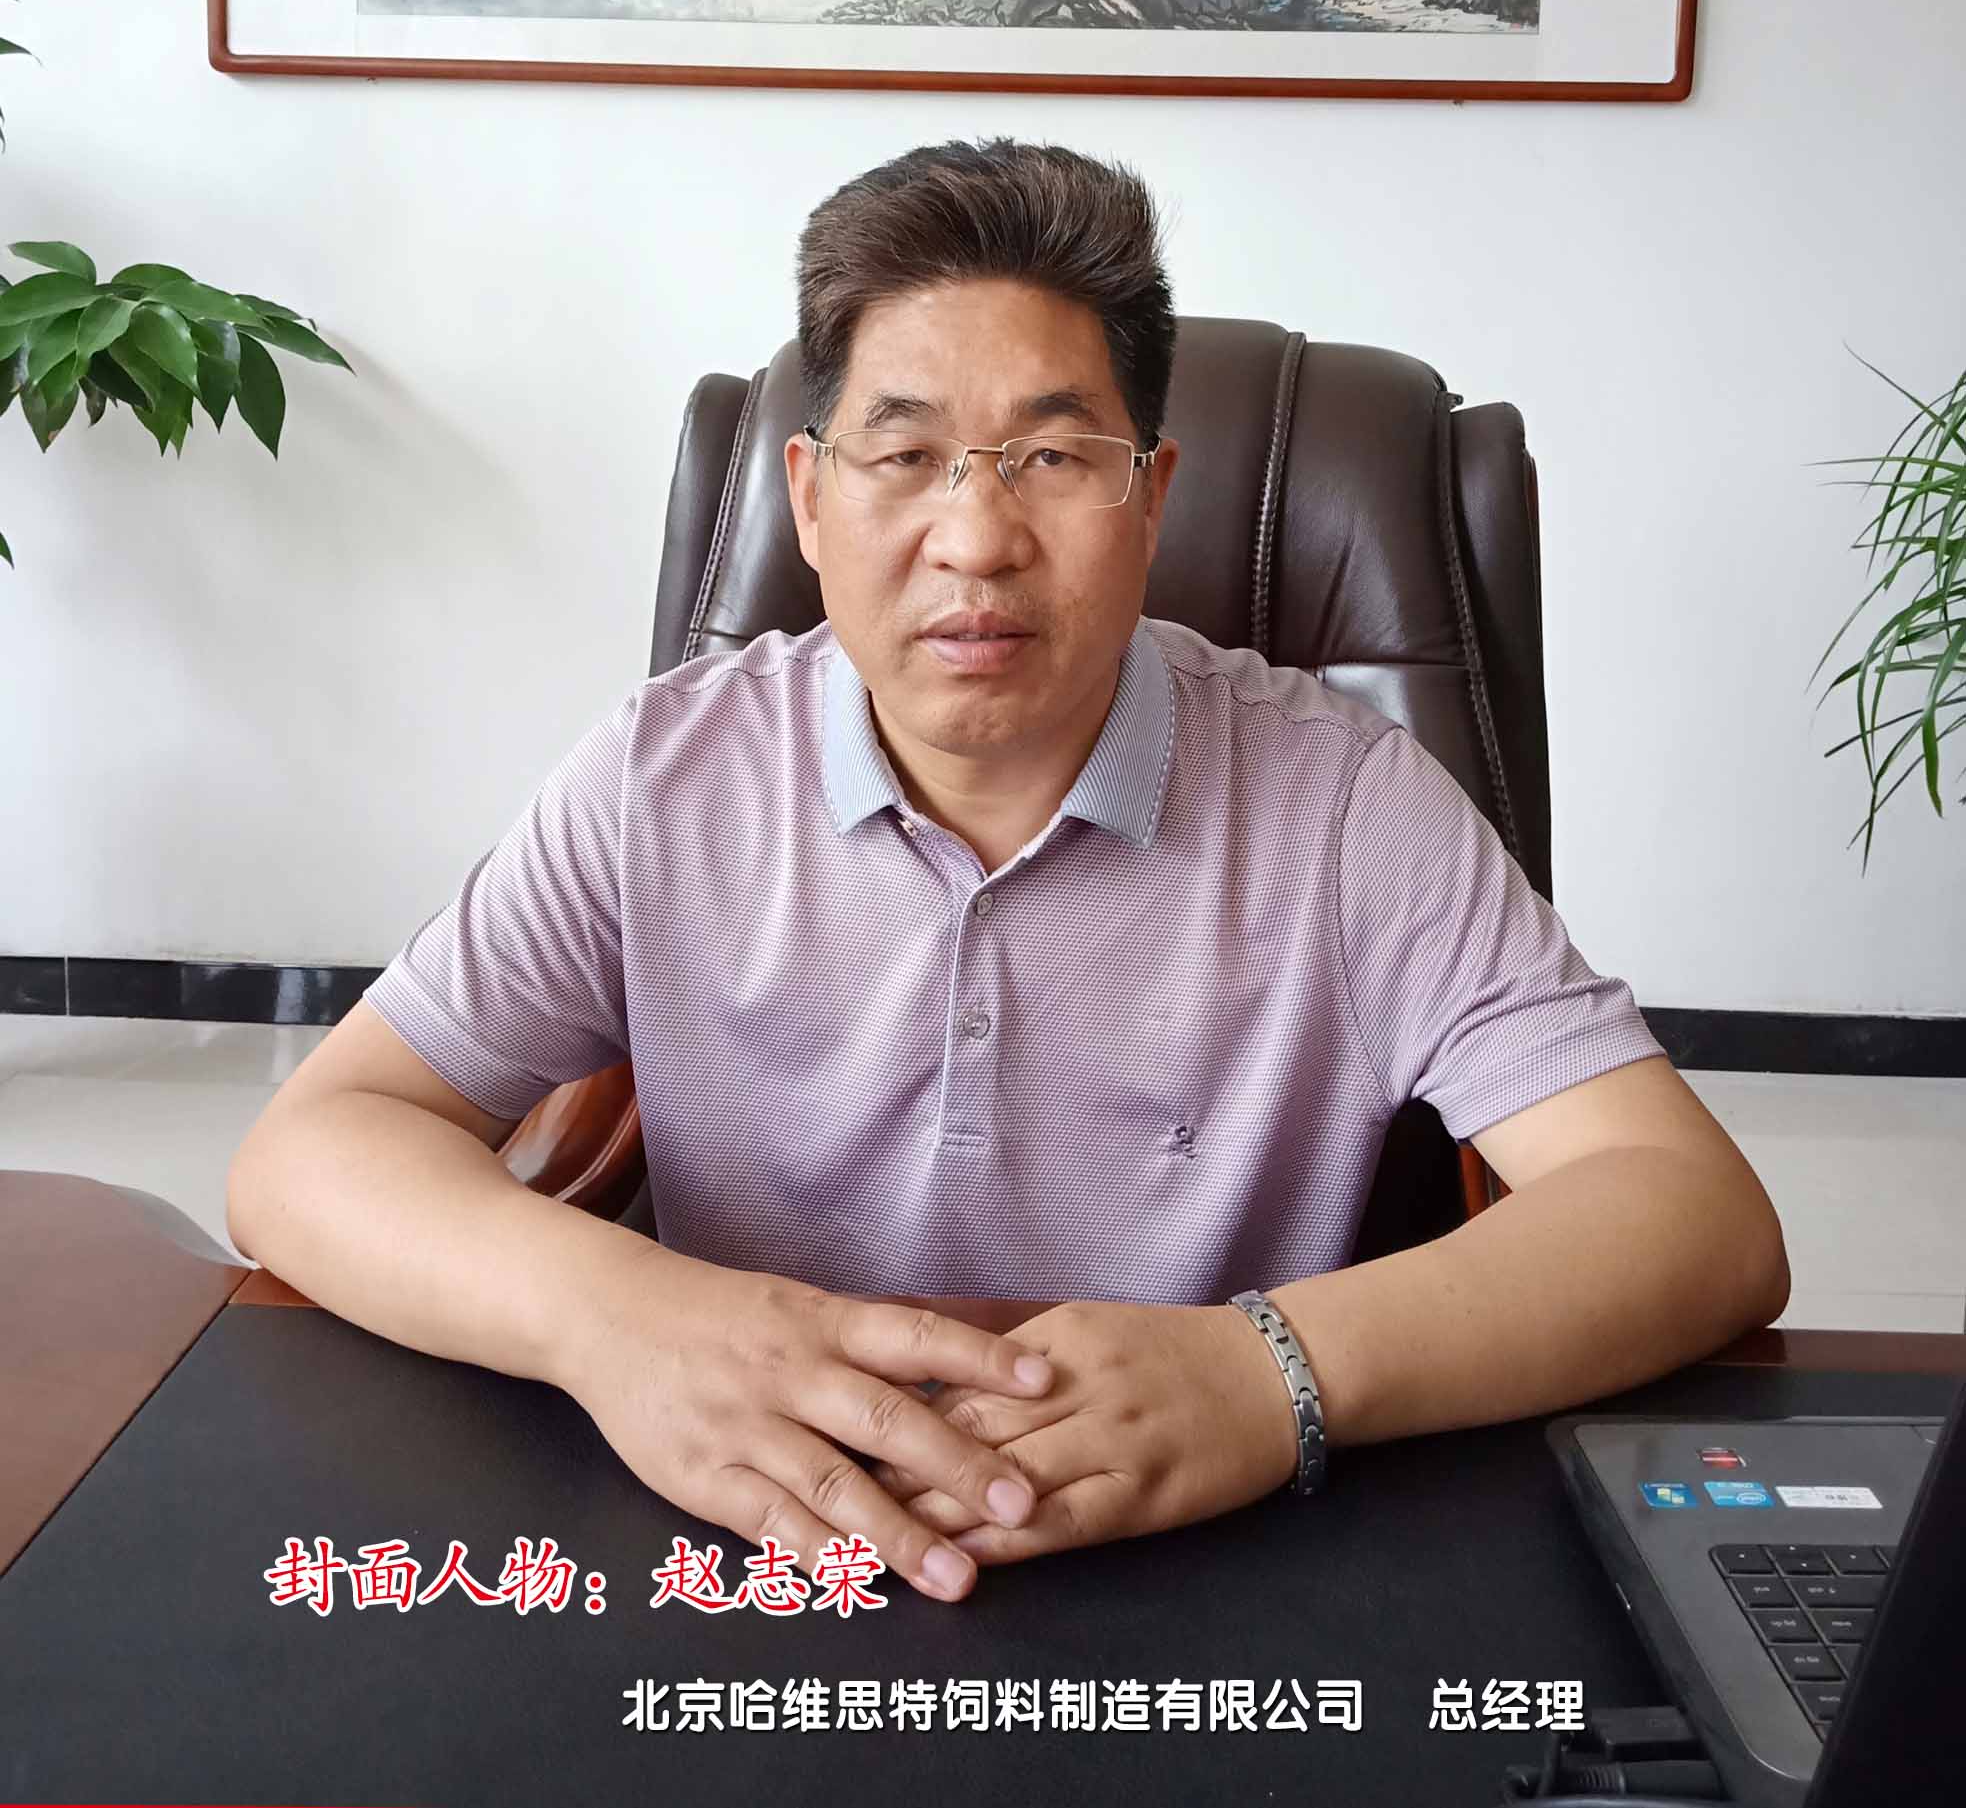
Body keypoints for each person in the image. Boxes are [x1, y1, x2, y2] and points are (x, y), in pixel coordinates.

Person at [226, 137, 1789, 1611]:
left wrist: (1270, 1368)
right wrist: (612, 1315)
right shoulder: (664, 776)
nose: (975, 539)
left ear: (1151, 496)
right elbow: (315, 1146)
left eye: (1050, 455)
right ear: (808, 497)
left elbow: (1687, 1213)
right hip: (751, 1546)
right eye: (904, 453)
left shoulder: (1344, 804)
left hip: (1205, 1558)